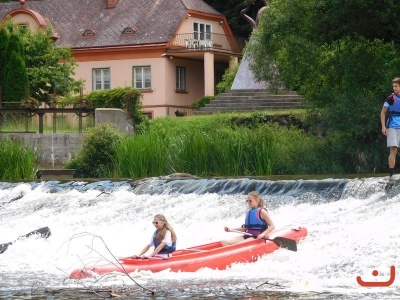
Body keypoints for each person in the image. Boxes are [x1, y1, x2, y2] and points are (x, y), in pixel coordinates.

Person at [380, 77, 400, 179]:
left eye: (396, 86)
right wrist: (383, 126)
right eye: (393, 86)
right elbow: (383, 112)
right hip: (392, 126)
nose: (394, 88)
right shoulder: (390, 99)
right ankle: (391, 174)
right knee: (394, 150)